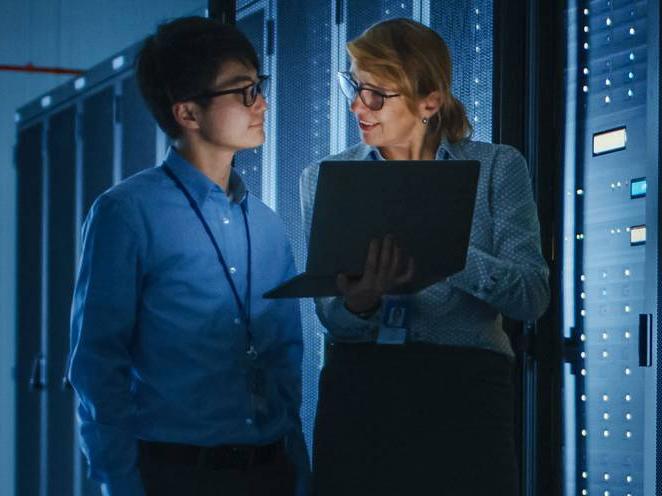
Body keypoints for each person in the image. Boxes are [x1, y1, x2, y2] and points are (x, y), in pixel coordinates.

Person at [300, 18, 550, 496]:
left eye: (376, 94)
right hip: (362, 392)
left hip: (465, 395)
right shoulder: (326, 177)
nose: (357, 106)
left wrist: (447, 251)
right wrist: (361, 302)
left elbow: (531, 296)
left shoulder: (497, 166)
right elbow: (332, 319)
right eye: (353, 86)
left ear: (429, 101)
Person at [68, 16, 309, 496]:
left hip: (270, 472)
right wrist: (121, 482)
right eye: (242, 92)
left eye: (258, 86)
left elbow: (285, 360)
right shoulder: (127, 213)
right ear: (187, 113)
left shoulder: (266, 224)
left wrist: (297, 468)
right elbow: (98, 365)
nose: (261, 103)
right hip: (175, 476)